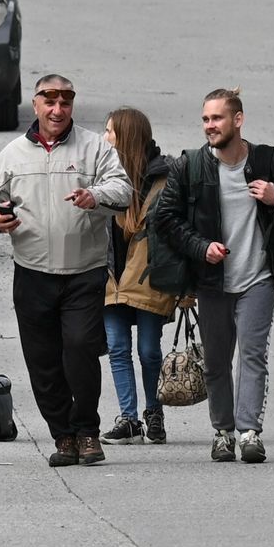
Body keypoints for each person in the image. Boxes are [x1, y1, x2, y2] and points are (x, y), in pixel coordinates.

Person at [155, 87, 274, 464]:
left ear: (238, 120)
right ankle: (222, 432)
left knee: (252, 354)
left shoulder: (270, 161)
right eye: (206, 119)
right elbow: (165, 219)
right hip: (212, 280)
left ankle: (249, 433)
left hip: (258, 277)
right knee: (215, 360)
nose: (210, 126)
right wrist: (201, 248)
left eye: (217, 118)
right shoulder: (190, 166)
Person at [0, 75, 132, 467]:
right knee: (42, 360)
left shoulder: (95, 147)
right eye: (50, 102)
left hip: (84, 270)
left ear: (72, 106)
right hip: (31, 273)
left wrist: (94, 195)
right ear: (36, 105)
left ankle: (87, 432)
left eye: (65, 102)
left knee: (80, 349)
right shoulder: (12, 155)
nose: (57, 110)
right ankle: (63, 435)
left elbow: (123, 190)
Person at [100, 107, 177, 445]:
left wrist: (186, 286)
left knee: (148, 350)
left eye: (109, 132)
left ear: (126, 137)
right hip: (111, 276)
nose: (104, 138)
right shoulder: (102, 174)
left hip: (149, 278)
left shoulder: (163, 179)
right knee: (117, 347)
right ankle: (129, 418)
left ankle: (153, 411)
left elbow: (178, 231)